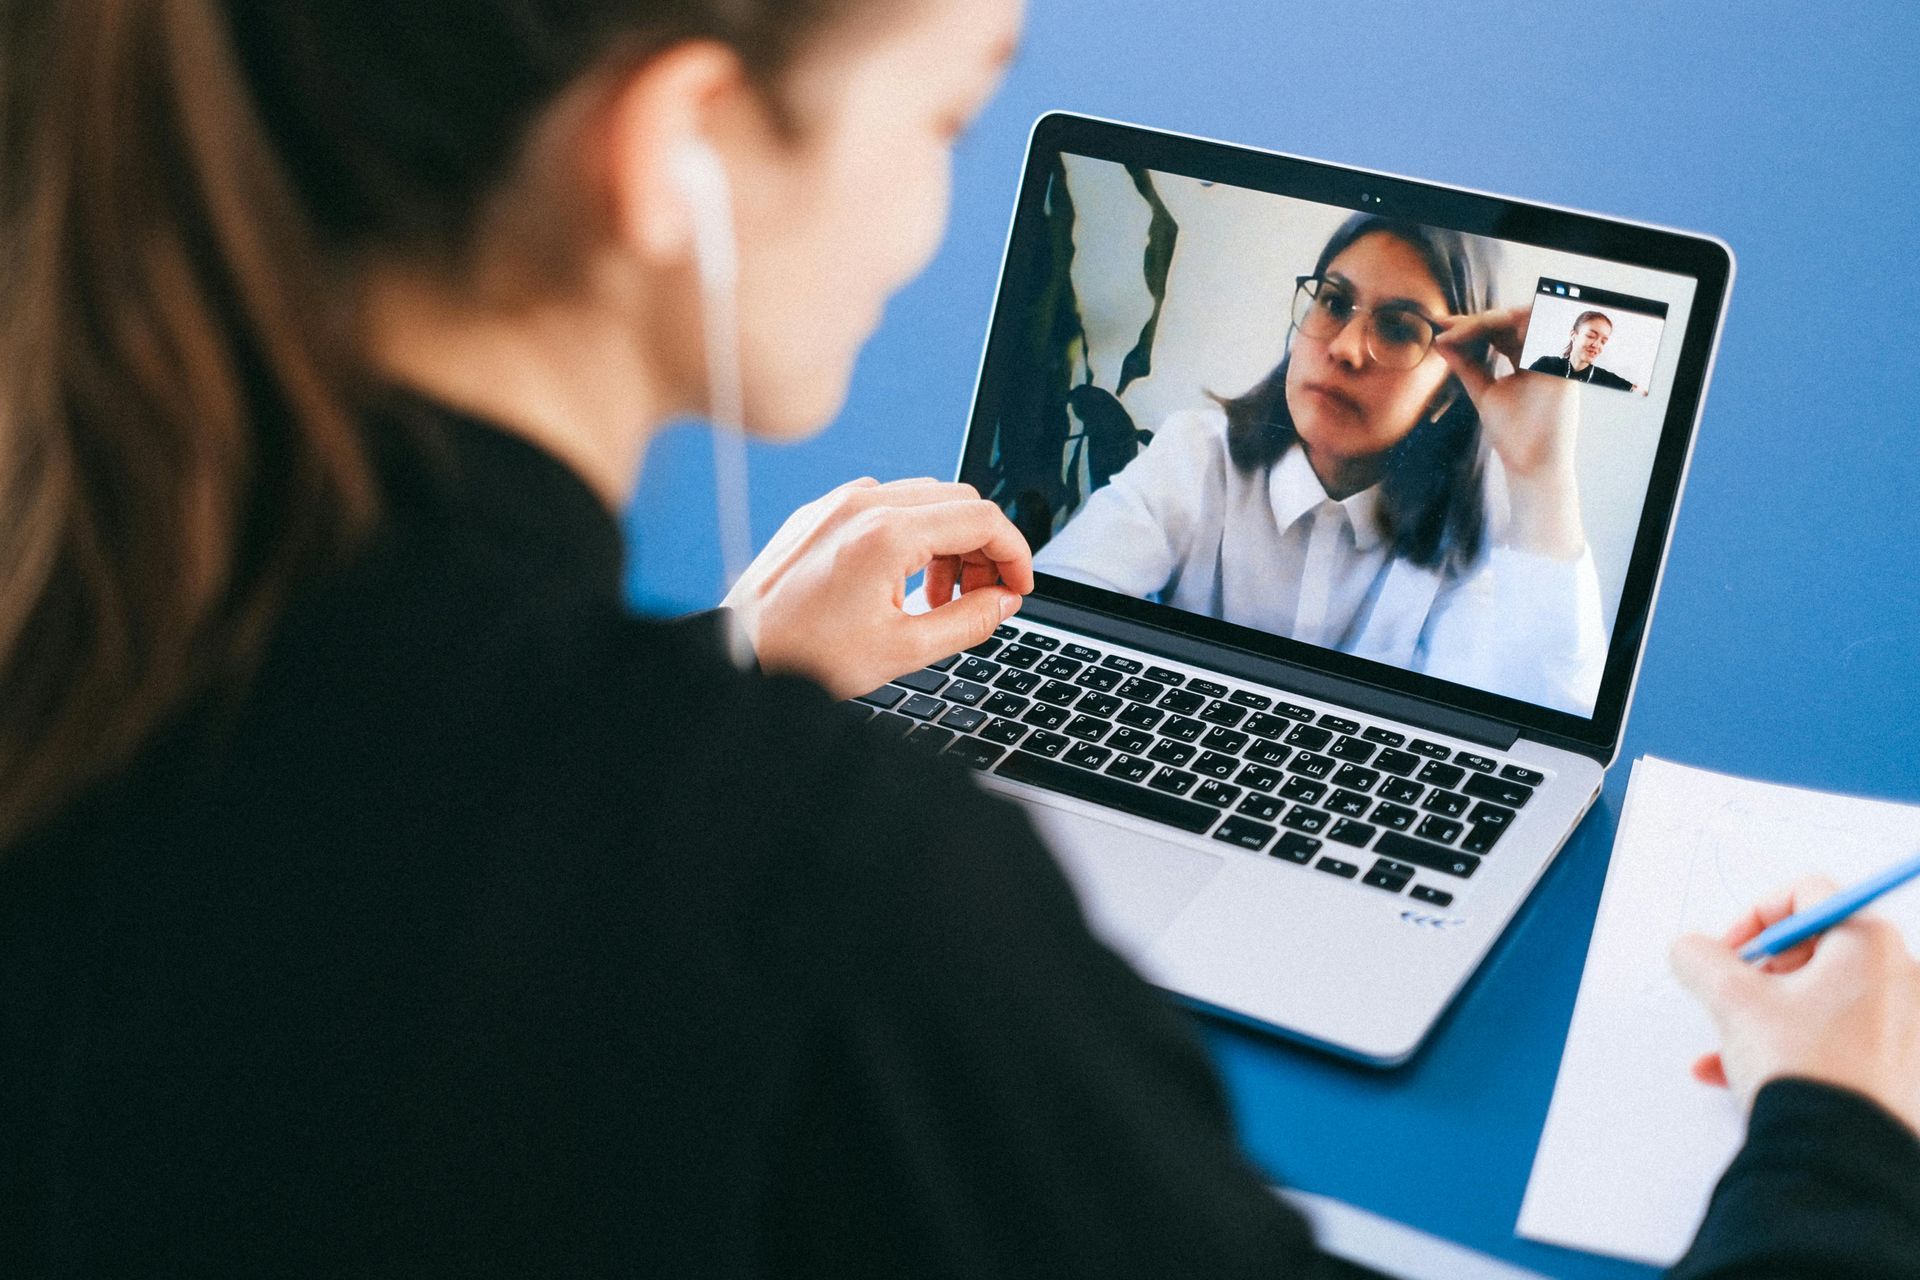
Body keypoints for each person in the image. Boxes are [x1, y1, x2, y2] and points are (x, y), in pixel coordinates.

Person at [0, 2, 1914, 1277]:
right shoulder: (854, 904)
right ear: (680, 153)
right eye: (941, 116)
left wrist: (715, 686)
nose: (936, 208)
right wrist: (1842, 1138)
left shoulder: (91, 606)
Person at [1034, 216, 1609, 716]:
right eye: (1334, 302)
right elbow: (1049, 619)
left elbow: (1539, 727)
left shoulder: (1473, 541)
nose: (1346, 348)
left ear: (1444, 395)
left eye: (1399, 327)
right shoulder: (1197, 454)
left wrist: (1541, 474)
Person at [1528, 308, 1642, 392]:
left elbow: (1641, 393)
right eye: (1591, 336)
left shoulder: (1607, 380)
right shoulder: (1546, 366)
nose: (1596, 345)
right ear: (1573, 335)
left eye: (1603, 341)